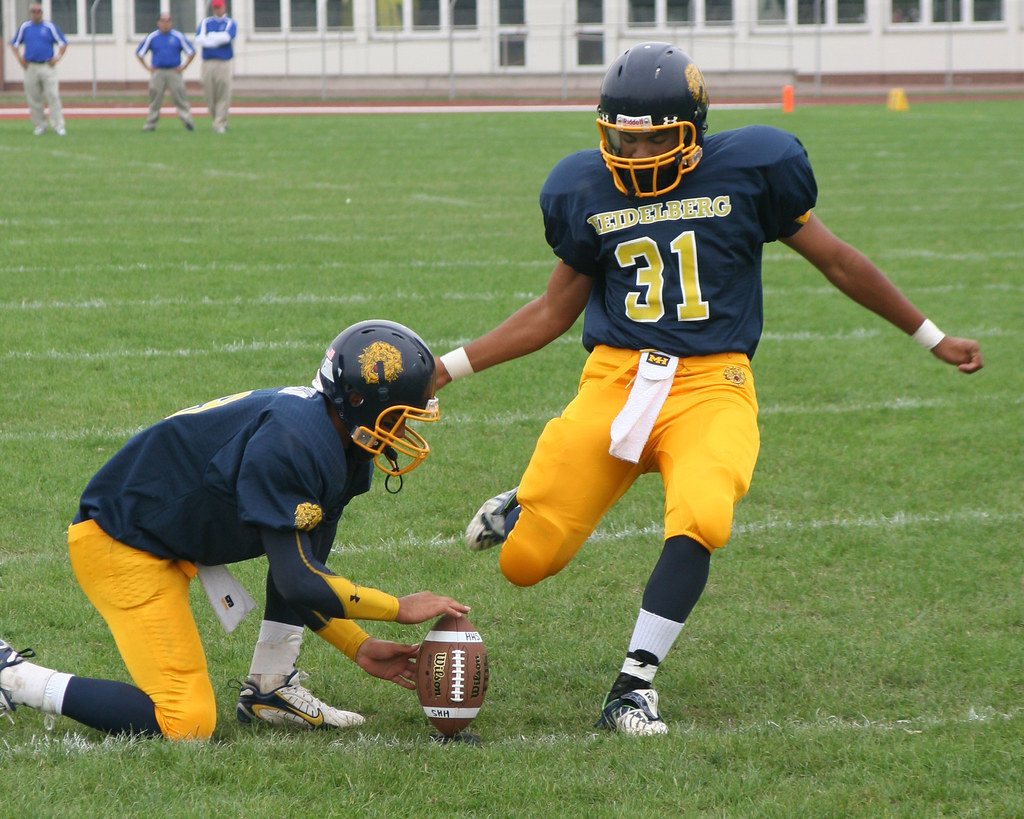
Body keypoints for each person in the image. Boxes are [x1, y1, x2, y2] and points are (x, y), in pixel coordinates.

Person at [436, 42, 984, 736]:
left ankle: (633, 685)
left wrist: (931, 336)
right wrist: (444, 366)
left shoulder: (752, 169)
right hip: (616, 379)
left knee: (703, 513)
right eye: (622, 139)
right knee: (524, 564)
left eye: (654, 139)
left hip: (712, 383)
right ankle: (526, 505)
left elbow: (841, 262)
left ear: (693, 132)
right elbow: (550, 314)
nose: (635, 155)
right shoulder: (585, 190)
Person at [1, 320, 469, 739]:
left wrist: (360, 646)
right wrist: (397, 608)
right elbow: (297, 579)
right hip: (122, 543)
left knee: (298, 557)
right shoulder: (293, 441)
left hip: (169, 537)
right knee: (186, 723)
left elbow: (305, 567)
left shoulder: (342, 447)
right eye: (402, 416)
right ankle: (14, 678)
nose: (407, 431)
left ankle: (271, 688)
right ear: (358, 401)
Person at [9, 2, 67, 136]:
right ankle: (40, 125)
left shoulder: (49, 27)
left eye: (39, 11)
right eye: (34, 11)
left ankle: (58, 125)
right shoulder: (25, 27)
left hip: (47, 66)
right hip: (31, 67)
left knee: (53, 95)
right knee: (34, 98)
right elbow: (14, 44)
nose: (36, 14)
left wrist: (57, 57)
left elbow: (63, 43)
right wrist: (20, 60)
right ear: (30, 13)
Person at [135, 13, 196, 132]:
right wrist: (147, 67)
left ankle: (188, 122)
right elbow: (139, 53)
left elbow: (191, 52)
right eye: (163, 21)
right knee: (155, 98)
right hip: (158, 71)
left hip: (174, 71)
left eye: (168, 21)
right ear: (158, 23)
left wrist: (184, 66)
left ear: (171, 23)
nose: (165, 23)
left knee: (180, 97)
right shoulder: (152, 37)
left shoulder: (178, 36)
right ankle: (151, 124)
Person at [195, 0, 237, 134]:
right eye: (215, 8)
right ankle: (217, 119)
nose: (218, 10)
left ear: (224, 7)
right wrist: (213, 40)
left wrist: (211, 37)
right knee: (210, 95)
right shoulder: (206, 23)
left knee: (223, 93)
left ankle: (220, 123)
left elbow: (226, 38)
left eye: (220, 7)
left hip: (222, 62)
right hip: (208, 63)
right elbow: (200, 39)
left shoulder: (229, 23)